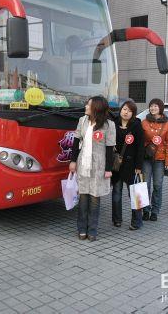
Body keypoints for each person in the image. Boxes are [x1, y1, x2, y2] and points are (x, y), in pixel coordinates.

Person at [70, 96, 116, 241]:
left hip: (99, 166)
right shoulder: (82, 121)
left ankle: (93, 231)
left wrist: (108, 169)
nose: (86, 107)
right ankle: (82, 229)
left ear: (96, 108)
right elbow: (76, 141)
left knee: (95, 200)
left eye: (88, 105)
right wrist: (72, 161)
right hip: (83, 163)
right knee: (83, 199)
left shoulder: (108, 125)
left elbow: (110, 149)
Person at [111, 100, 144, 230]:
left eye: (130, 111)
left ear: (133, 113)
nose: (126, 112)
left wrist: (139, 167)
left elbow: (140, 148)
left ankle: (136, 221)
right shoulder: (113, 124)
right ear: (121, 110)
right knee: (116, 193)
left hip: (132, 166)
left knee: (135, 194)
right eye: (124, 109)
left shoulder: (136, 126)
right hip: (117, 165)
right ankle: (117, 219)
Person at [141, 99, 168, 221]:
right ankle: (145, 210)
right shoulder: (144, 122)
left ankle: (155, 210)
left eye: (155, 106)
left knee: (158, 185)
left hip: (160, 158)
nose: (153, 108)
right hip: (146, 157)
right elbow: (140, 141)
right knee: (145, 185)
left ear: (160, 108)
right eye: (151, 106)